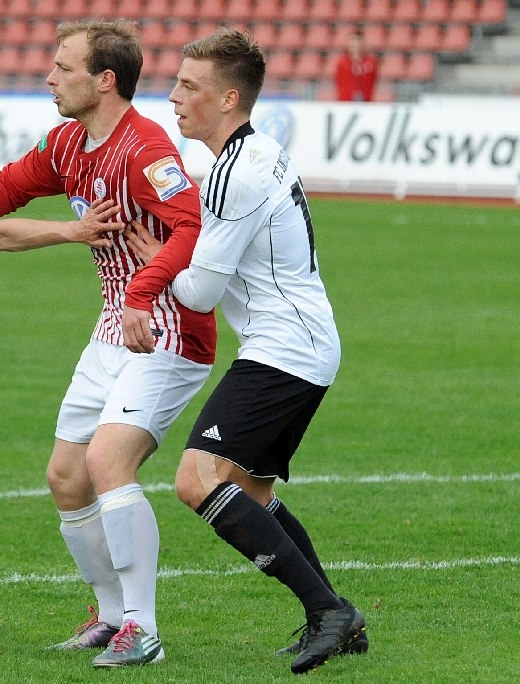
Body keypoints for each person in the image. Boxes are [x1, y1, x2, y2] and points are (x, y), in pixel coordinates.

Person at [0, 19, 217, 667]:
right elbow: (10, 183)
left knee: (108, 464)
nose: (50, 78)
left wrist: (143, 292)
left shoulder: (146, 149)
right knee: (65, 476)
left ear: (105, 80)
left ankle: (142, 629)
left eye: (64, 68)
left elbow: (192, 228)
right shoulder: (69, 143)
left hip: (166, 330)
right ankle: (110, 616)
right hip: (114, 326)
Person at [120, 27, 368, 675]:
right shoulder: (254, 153)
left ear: (229, 98)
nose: (174, 96)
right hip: (300, 342)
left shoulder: (236, 172)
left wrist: (160, 263)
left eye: (189, 86)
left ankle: (331, 612)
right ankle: (333, 617)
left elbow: (200, 293)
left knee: (196, 479)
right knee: (249, 491)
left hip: (284, 349)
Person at [334, 31, 377, 102]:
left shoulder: (371, 63)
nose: (356, 44)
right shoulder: (342, 63)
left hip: (366, 103)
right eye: (353, 41)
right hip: (345, 103)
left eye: (359, 41)